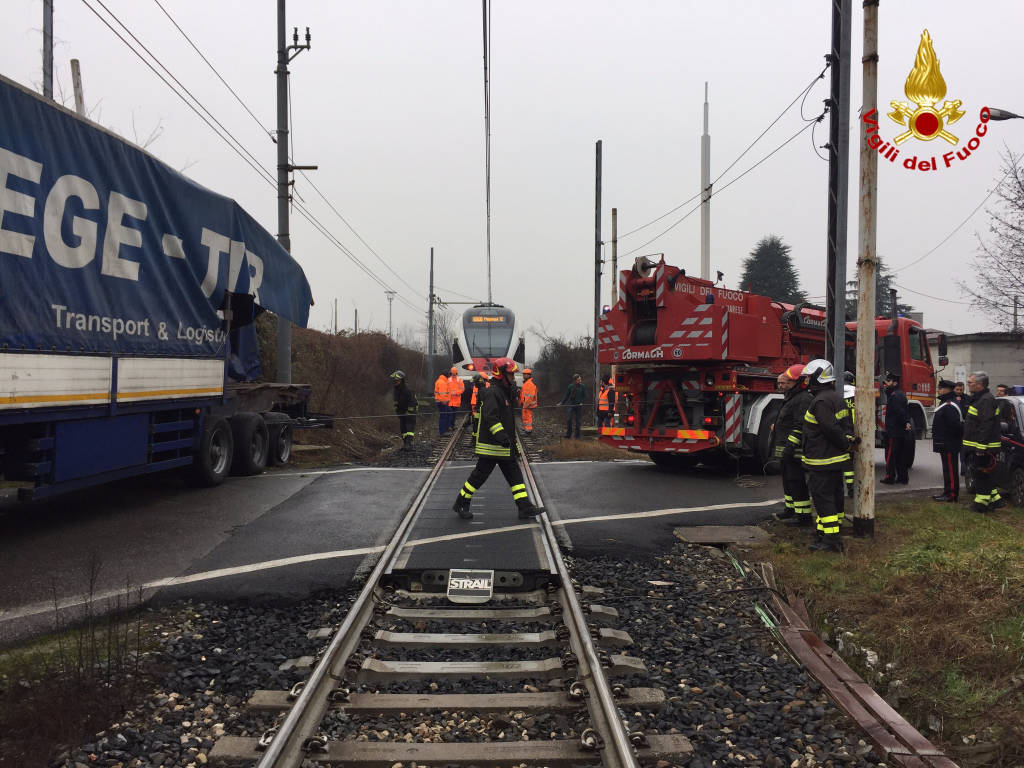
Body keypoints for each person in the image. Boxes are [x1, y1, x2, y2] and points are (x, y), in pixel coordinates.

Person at [453, 358, 544, 521]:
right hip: (492, 446)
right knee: (479, 477)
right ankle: (461, 502)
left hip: (503, 446)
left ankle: (524, 507)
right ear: (501, 374)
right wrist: (502, 437)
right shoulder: (493, 393)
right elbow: (490, 418)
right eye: (510, 374)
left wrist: (512, 444)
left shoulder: (503, 392)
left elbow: (507, 422)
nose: (513, 377)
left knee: (515, 475)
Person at [800, 358, 856, 553]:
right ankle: (828, 533)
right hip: (834, 459)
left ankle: (830, 541)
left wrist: (844, 444)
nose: (806, 381)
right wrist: (846, 444)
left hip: (822, 460)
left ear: (818, 377)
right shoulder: (835, 397)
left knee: (823, 499)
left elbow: (830, 428)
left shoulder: (821, 401)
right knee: (834, 496)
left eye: (808, 377)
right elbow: (845, 426)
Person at [773, 364, 813, 526]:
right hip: (787, 449)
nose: (783, 385)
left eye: (787, 382)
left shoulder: (803, 399)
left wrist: (790, 448)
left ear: (797, 382)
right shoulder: (792, 397)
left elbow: (799, 426)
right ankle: (790, 510)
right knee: (788, 482)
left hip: (794, 451)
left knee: (796, 482)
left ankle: (803, 518)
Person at [963, 370, 1005, 513]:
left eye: (970, 382)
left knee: (982, 474)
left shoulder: (986, 400)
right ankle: (995, 500)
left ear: (979, 384)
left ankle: (981, 504)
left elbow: (986, 425)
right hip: (981, 445)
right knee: (984, 473)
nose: (968, 385)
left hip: (985, 447)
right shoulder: (980, 398)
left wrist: (981, 447)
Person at [931, 379, 963, 502]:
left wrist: (948, 439)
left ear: (947, 390)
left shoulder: (949, 405)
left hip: (949, 443)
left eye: (940, 388)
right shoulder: (945, 403)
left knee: (951, 469)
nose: (938, 390)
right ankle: (947, 491)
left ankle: (952, 495)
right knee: (947, 469)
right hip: (945, 442)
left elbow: (955, 426)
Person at [880, 371, 912, 485]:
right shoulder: (899, 394)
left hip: (894, 431)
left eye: (888, 381)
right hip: (898, 430)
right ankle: (903, 477)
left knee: (891, 455)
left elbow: (900, 412)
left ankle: (890, 476)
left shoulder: (895, 396)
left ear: (895, 383)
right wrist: (906, 422)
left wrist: (905, 422)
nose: (885, 384)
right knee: (900, 455)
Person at [390, 370, 418, 451]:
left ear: (401, 380)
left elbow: (412, 402)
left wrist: (409, 412)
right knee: (403, 429)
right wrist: (397, 411)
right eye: (394, 381)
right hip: (401, 412)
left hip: (410, 412)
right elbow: (396, 401)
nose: (395, 382)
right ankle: (405, 443)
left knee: (409, 428)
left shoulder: (408, 390)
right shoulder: (396, 390)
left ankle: (408, 444)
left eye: (397, 380)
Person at [842, 372, 856, 499]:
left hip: (842, 432)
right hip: (858, 432)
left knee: (844, 461)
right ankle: (852, 488)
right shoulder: (858, 392)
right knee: (853, 461)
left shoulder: (838, 392)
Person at [560, 373, 586, 439]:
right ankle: (568, 434)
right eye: (578, 380)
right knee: (569, 419)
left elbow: (584, 396)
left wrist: (582, 402)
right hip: (571, 404)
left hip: (578, 405)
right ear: (575, 380)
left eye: (580, 379)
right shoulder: (570, 386)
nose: (580, 381)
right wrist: (561, 402)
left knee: (578, 421)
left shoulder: (582, 386)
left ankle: (577, 435)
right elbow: (567, 395)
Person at [519, 368, 538, 433]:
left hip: (527, 404)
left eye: (525, 374)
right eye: (523, 374)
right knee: (525, 417)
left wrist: (526, 404)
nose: (523, 376)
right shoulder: (527, 383)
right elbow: (524, 394)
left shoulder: (529, 384)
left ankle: (528, 430)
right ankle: (527, 429)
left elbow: (530, 396)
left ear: (529, 375)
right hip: (526, 404)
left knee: (527, 417)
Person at [447, 366, 465, 430]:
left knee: (454, 414)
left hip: (456, 400)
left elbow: (462, 389)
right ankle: (450, 426)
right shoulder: (448, 380)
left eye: (454, 373)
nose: (453, 375)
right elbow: (446, 389)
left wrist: (456, 393)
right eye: (453, 373)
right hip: (450, 401)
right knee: (450, 414)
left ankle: (452, 425)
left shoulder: (459, 380)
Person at [434, 370, 450, 436]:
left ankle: (445, 429)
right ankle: (442, 432)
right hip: (442, 402)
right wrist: (444, 402)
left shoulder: (440, 381)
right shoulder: (442, 382)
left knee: (446, 414)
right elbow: (442, 394)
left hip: (440, 402)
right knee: (443, 416)